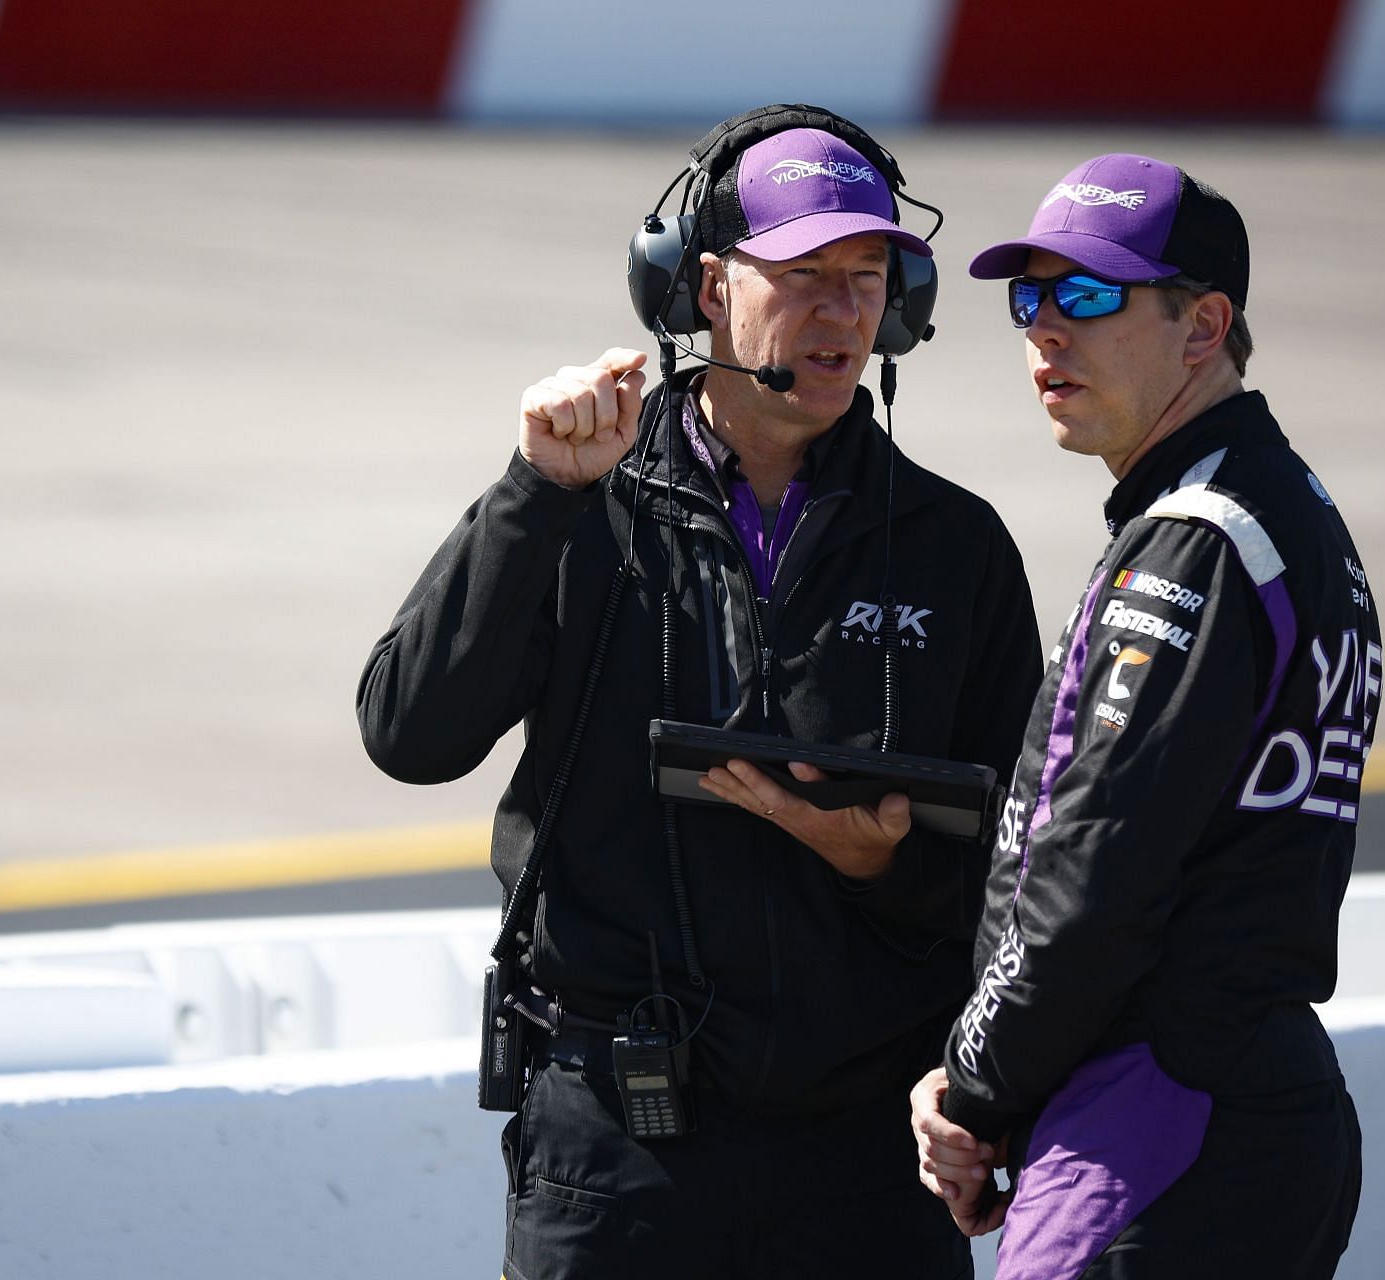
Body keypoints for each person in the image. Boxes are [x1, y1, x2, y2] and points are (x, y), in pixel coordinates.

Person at [358, 106, 1042, 1280]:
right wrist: (536, 495)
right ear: (705, 289)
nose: (840, 312)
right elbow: (409, 732)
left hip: (867, 1163)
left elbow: (1021, 870)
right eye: (804, 274)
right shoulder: (580, 504)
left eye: (868, 276)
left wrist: (878, 857)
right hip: (619, 1154)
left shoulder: (956, 546)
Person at [910, 154, 1379, 1278]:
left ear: (1203, 325)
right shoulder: (1280, 512)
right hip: (1230, 1105)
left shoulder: (1199, 540)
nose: (1045, 332)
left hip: (1157, 1118)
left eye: (1087, 294)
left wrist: (974, 1088)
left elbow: (1091, 875)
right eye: (1029, 297)